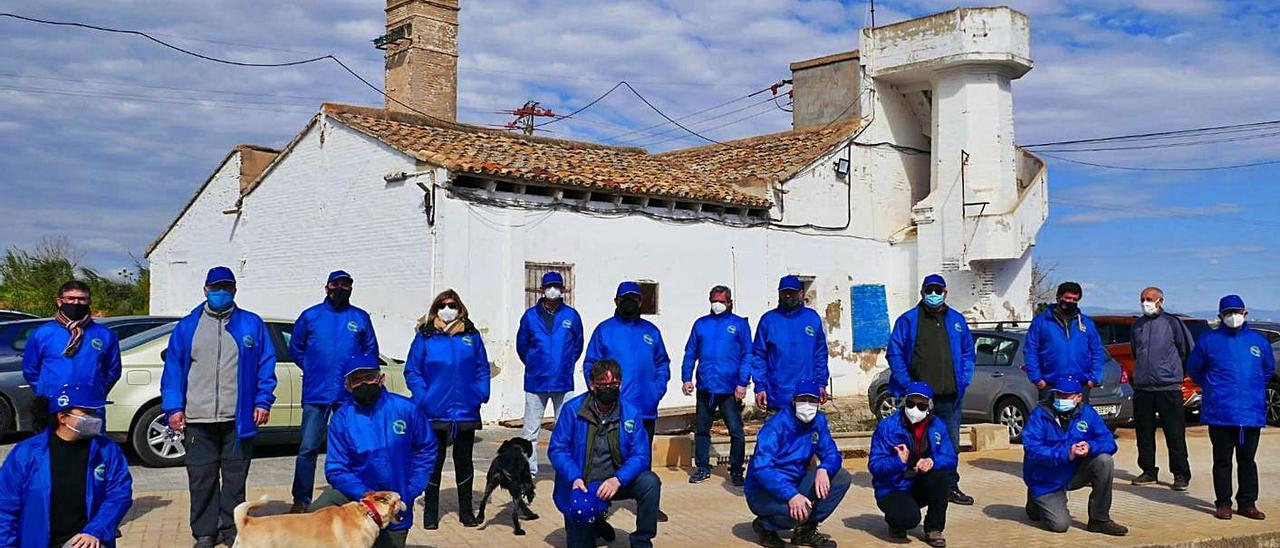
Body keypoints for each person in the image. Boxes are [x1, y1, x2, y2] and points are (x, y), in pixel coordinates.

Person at [160, 266, 278, 548]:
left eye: (226, 287)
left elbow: (266, 365)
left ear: (235, 291)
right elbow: (174, 370)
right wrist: (174, 407)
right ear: (205, 290)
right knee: (201, 479)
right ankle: (204, 532)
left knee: (235, 480)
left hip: (237, 419)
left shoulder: (251, 324)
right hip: (198, 419)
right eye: (215, 288)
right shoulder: (188, 326)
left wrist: (263, 400)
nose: (220, 292)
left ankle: (232, 529)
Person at [310, 354, 436, 548]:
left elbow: (427, 449)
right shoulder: (341, 419)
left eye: (368, 377)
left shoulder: (406, 409)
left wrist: (411, 488)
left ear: (381, 378)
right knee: (317, 512)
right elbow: (336, 468)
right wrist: (365, 494)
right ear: (348, 386)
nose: (363, 384)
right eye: (356, 380)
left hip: (395, 498)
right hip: (357, 498)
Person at [288, 270, 380, 513]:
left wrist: (362, 383)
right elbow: (296, 348)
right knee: (308, 448)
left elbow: (370, 352)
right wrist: (310, 367)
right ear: (327, 286)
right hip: (316, 394)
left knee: (351, 448)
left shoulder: (359, 318)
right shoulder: (311, 316)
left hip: (349, 396)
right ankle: (301, 500)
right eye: (336, 284)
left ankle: (349, 495)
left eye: (346, 285)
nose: (341, 289)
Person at [0, 384, 133, 548]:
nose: (95, 417)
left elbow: (119, 495)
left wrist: (95, 531)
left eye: (95, 411)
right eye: (87, 412)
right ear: (62, 417)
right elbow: (5, 506)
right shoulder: (26, 453)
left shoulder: (107, 450)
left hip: (83, 541)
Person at [549, 359, 661, 548]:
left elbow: (641, 455)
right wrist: (574, 477)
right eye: (603, 385)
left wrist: (618, 479)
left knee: (650, 482)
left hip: (615, 482)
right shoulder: (572, 410)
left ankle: (642, 540)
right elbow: (557, 449)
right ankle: (596, 523)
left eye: (614, 384)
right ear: (592, 385)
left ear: (620, 384)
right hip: (582, 484)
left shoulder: (631, 413)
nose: (609, 388)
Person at [582, 281, 671, 520]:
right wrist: (598, 393)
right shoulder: (605, 330)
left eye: (634, 297)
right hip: (612, 409)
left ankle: (647, 504)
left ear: (640, 302)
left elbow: (662, 363)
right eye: (624, 298)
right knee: (607, 456)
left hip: (645, 408)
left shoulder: (651, 332)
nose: (629, 302)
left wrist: (656, 390)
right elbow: (591, 363)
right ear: (616, 301)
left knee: (643, 456)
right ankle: (602, 502)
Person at [885, 274, 975, 505]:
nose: (933, 294)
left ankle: (949, 486)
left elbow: (968, 353)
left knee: (950, 444)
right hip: (918, 401)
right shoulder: (908, 320)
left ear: (945, 293)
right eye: (929, 290)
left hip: (949, 397)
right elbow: (894, 353)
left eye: (938, 290)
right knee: (914, 442)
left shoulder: (956, 320)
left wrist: (963, 380)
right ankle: (910, 485)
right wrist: (907, 385)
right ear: (922, 292)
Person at [405, 289, 490, 529]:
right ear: (436, 309)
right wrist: (423, 397)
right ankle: (430, 514)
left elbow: (482, 367)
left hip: (465, 409)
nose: (447, 308)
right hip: (434, 410)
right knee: (434, 461)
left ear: (459, 307)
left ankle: (466, 513)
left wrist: (480, 393)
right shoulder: (425, 336)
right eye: (442, 304)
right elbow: (412, 370)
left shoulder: (471, 336)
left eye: (451, 304)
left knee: (464, 460)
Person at [1187, 295, 1275, 521]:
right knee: (1222, 460)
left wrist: (1251, 388)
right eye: (1228, 313)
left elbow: (1266, 371)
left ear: (1245, 314)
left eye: (1237, 312)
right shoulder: (1208, 341)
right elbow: (1195, 369)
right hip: (1220, 413)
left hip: (1250, 414)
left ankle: (1247, 503)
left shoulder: (1258, 342)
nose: (1233, 316)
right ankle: (1223, 503)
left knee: (1247, 460)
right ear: (1220, 316)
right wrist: (1213, 386)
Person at [745, 379, 847, 548]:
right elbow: (762, 469)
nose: (807, 405)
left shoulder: (818, 422)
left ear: (819, 402)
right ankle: (765, 526)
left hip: (796, 482)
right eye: (802, 400)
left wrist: (824, 469)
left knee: (841, 477)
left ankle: (805, 531)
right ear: (793, 400)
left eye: (812, 400)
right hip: (764, 491)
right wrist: (790, 495)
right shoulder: (775, 427)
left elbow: (832, 453)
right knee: (800, 512)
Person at [1021, 377, 1127, 536]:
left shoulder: (1088, 413)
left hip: (1073, 472)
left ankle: (1099, 519)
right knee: (1060, 525)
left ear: (1079, 397)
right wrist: (1066, 454)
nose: (1061, 399)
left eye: (1066, 396)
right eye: (1058, 395)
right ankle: (1035, 502)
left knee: (1104, 461)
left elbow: (1108, 441)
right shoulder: (1039, 415)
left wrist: (1090, 447)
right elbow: (1032, 449)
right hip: (1047, 478)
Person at [869, 382, 957, 547]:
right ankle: (895, 521)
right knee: (908, 519)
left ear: (929, 406)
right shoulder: (887, 427)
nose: (915, 409)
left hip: (918, 482)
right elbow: (874, 465)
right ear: (904, 402)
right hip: (893, 487)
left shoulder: (938, 425)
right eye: (911, 403)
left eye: (921, 405)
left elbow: (951, 458)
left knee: (942, 477)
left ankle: (934, 528)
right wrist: (898, 462)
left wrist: (932, 461)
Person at [681, 285, 752, 486]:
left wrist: (742, 382)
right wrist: (686, 378)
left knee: (736, 431)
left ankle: (736, 470)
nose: (717, 304)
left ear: (730, 302)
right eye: (714, 300)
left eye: (721, 301)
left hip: (729, 388)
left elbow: (748, 354)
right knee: (702, 430)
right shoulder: (701, 324)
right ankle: (702, 467)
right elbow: (690, 352)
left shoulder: (739, 325)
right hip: (706, 387)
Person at [516, 271, 584, 476]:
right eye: (548, 286)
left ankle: (566, 472)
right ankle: (529, 473)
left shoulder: (571, 316)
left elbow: (578, 345)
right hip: (536, 382)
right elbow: (522, 346)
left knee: (566, 430)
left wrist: (565, 365)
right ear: (541, 290)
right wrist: (535, 365)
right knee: (530, 431)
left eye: (556, 286)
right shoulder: (530, 317)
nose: (552, 290)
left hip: (563, 382)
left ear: (562, 289)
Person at [1129, 286, 1193, 491]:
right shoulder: (1137, 325)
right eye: (1142, 299)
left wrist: (1176, 374)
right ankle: (1148, 470)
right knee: (1144, 433)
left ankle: (1180, 474)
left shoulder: (1172, 323)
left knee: (1174, 434)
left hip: (1168, 387)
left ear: (1160, 301)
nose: (1145, 302)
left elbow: (1186, 350)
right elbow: (1135, 351)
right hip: (1143, 388)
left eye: (1149, 298)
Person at [22, 280, 122, 400]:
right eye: (70, 298)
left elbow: (113, 370)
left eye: (82, 299)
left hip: (89, 403)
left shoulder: (104, 334)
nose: (76, 303)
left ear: (89, 301)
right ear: (60, 302)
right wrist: (44, 393)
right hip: (52, 403)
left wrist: (98, 392)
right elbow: (30, 369)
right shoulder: (43, 333)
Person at [751, 276, 829, 411]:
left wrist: (821, 383)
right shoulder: (768, 320)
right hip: (777, 395)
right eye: (784, 292)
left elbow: (820, 354)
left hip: (807, 395)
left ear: (801, 294)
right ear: (779, 293)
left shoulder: (812, 318)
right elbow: (758, 356)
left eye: (792, 292)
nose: (788, 296)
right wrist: (760, 387)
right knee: (775, 432)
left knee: (807, 432)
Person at [1023, 282, 1106, 401]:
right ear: (1058, 297)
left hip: (1080, 385)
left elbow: (1097, 351)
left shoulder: (1086, 323)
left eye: (1074, 299)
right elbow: (1031, 350)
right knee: (1048, 419)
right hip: (1050, 384)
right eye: (1067, 298)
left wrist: (1093, 379)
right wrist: (1037, 379)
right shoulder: (1041, 322)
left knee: (1079, 419)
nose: (1070, 302)